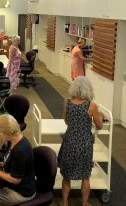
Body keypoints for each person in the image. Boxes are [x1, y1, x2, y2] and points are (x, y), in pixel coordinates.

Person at [57, 76, 104, 206]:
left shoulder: (67, 102)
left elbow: (66, 121)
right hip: (85, 142)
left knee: (66, 176)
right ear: (88, 89)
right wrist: (99, 116)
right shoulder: (91, 105)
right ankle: (85, 203)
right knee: (85, 176)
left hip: (69, 140)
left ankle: (65, 202)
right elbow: (99, 125)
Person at [0, 114, 36, 206]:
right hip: (11, 184)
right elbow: (10, 161)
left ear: (8, 132)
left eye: (0, 131)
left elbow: (15, 180)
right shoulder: (13, 141)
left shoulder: (20, 151)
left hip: (21, 192)